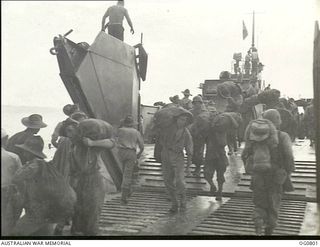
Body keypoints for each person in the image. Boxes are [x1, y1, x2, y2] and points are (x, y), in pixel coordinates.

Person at [241, 109, 295, 235]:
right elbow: (289, 157)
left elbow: (245, 155)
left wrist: (251, 170)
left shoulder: (255, 136)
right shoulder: (283, 136)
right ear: (277, 120)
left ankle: (258, 220)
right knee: (273, 204)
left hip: (258, 175)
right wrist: (288, 172)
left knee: (259, 202)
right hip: (276, 177)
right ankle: (268, 231)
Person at [70, 119, 116, 236]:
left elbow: (111, 143)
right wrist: (92, 143)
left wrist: (92, 143)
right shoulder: (80, 144)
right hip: (85, 177)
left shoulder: (81, 144)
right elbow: (111, 142)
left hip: (84, 177)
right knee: (88, 204)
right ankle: (87, 230)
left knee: (88, 205)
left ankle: (83, 230)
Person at [12, 136, 56, 236]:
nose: (23, 153)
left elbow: (16, 178)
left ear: (30, 152)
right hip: (46, 208)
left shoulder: (33, 166)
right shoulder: (45, 164)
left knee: (15, 234)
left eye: (25, 151)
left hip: (37, 210)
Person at [159, 113, 193, 212]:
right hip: (166, 155)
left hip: (178, 156)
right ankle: (174, 203)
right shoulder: (168, 130)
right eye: (181, 119)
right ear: (176, 120)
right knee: (167, 181)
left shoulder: (186, 133)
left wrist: (188, 166)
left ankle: (183, 200)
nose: (182, 122)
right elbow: (159, 138)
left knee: (180, 181)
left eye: (184, 120)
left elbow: (189, 149)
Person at [204, 113, 236, 201]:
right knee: (207, 174)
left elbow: (232, 129)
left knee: (220, 174)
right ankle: (213, 186)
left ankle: (220, 192)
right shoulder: (208, 128)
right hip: (210, 153)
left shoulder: (222, 129)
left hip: (219, 153)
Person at [117, 115, 144, 204]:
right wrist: (139, 154)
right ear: (132, 124)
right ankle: (124, 196)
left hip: (121, 152)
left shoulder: (119, 130)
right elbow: (141, 146)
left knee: (124, 171)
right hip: (131, 152)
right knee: (128, 174)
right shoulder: (136, 132)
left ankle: (127, 191)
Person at [1, 129, 23, 236]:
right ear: (6, 140)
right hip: (6, 191)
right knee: (6, 218)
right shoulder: (13, 157)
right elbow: (20, 176)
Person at [189, 95, 208, 176]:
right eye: (195, 103)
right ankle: (196, 165)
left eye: (198, 103)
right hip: (191, 135)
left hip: (200, 135)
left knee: (199, 152)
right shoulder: (190, 112)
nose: (197, 105)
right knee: (191, 151)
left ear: (201, 103)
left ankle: (198, 168)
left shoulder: (204, 113)